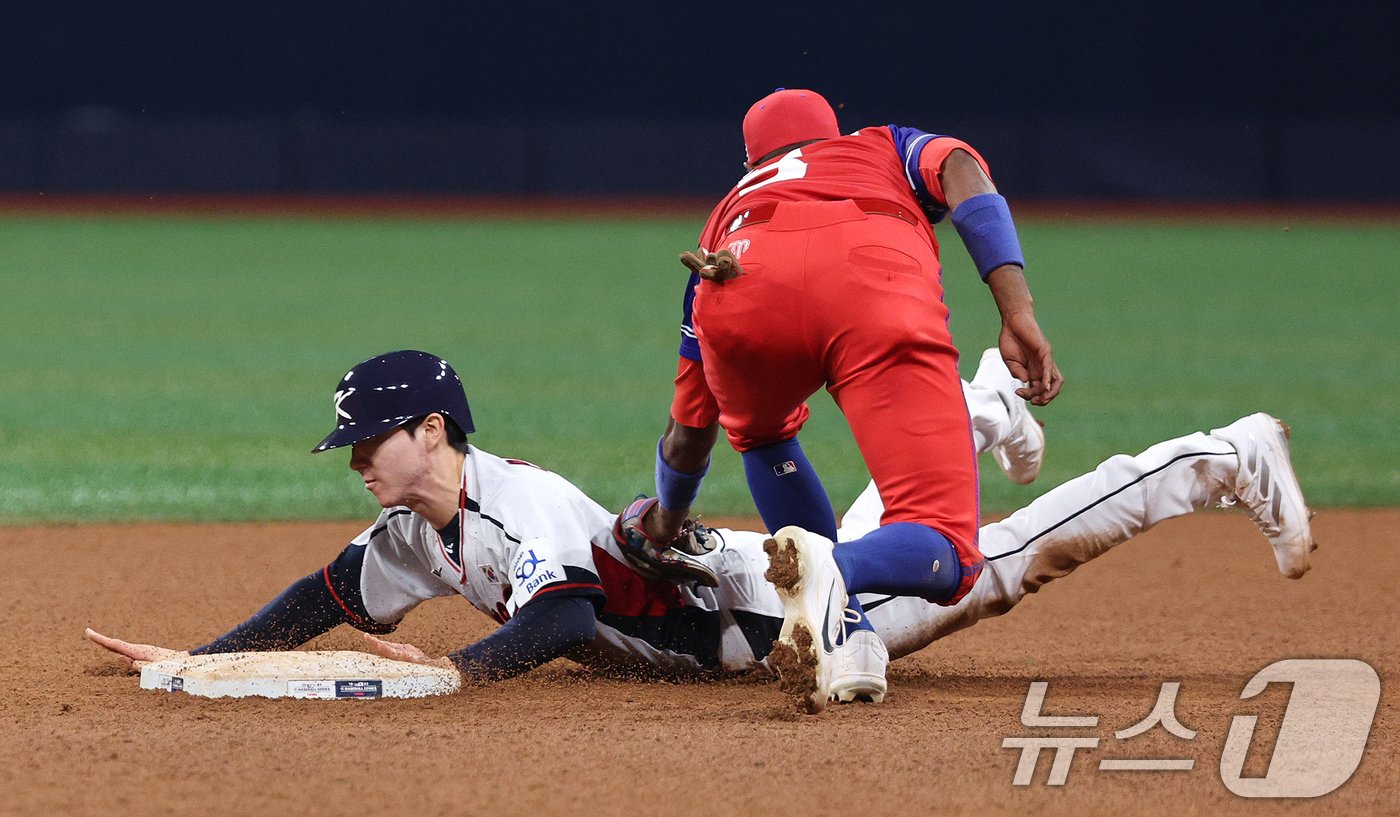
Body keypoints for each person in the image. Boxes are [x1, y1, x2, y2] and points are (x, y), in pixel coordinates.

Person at [88, 349, 1316, 714]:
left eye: (373, 440)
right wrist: (193, 657)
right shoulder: (415, 529)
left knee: (988, 569)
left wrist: (463, 672)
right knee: (887, 523)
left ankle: (1212, 457)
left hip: (763, 611)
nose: (358, 461)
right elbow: (320, 602)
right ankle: (980, 399)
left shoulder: (522, 502)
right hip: (752, 587)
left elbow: (562, 611)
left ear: (436, 430)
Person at [616, 88, 1062, 707]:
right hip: (871, 278)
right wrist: (1017, 310)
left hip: (742, 283)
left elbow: (689, 434)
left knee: (763, 436)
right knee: (952, 550)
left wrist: (664, 522)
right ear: (832, 134)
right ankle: (837, 573)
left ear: (752, 162)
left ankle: (844, 623)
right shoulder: (880, 144)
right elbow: (961, 167)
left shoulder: (728, 212)